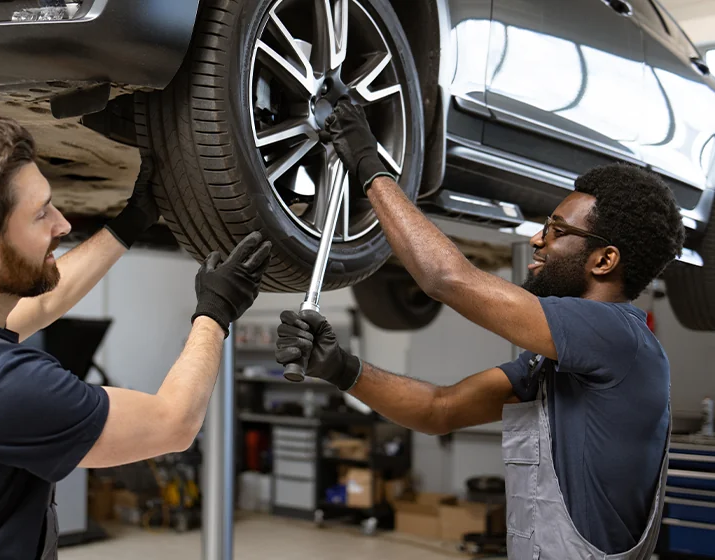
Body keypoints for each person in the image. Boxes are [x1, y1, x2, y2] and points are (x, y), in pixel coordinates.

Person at [276, 99, 685, 559]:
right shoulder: (560, 366)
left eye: (556, 230)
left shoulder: (618, 337)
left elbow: (447, 279)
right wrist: (339, 368)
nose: (536, 238)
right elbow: (440, 409)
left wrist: (370, 166)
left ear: (604, 260)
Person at [0, 114, 272, 559]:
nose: (61, 224)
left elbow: (41, 306)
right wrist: (215, 311)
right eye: (40, 214)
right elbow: (173, 423)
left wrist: (131, 222)